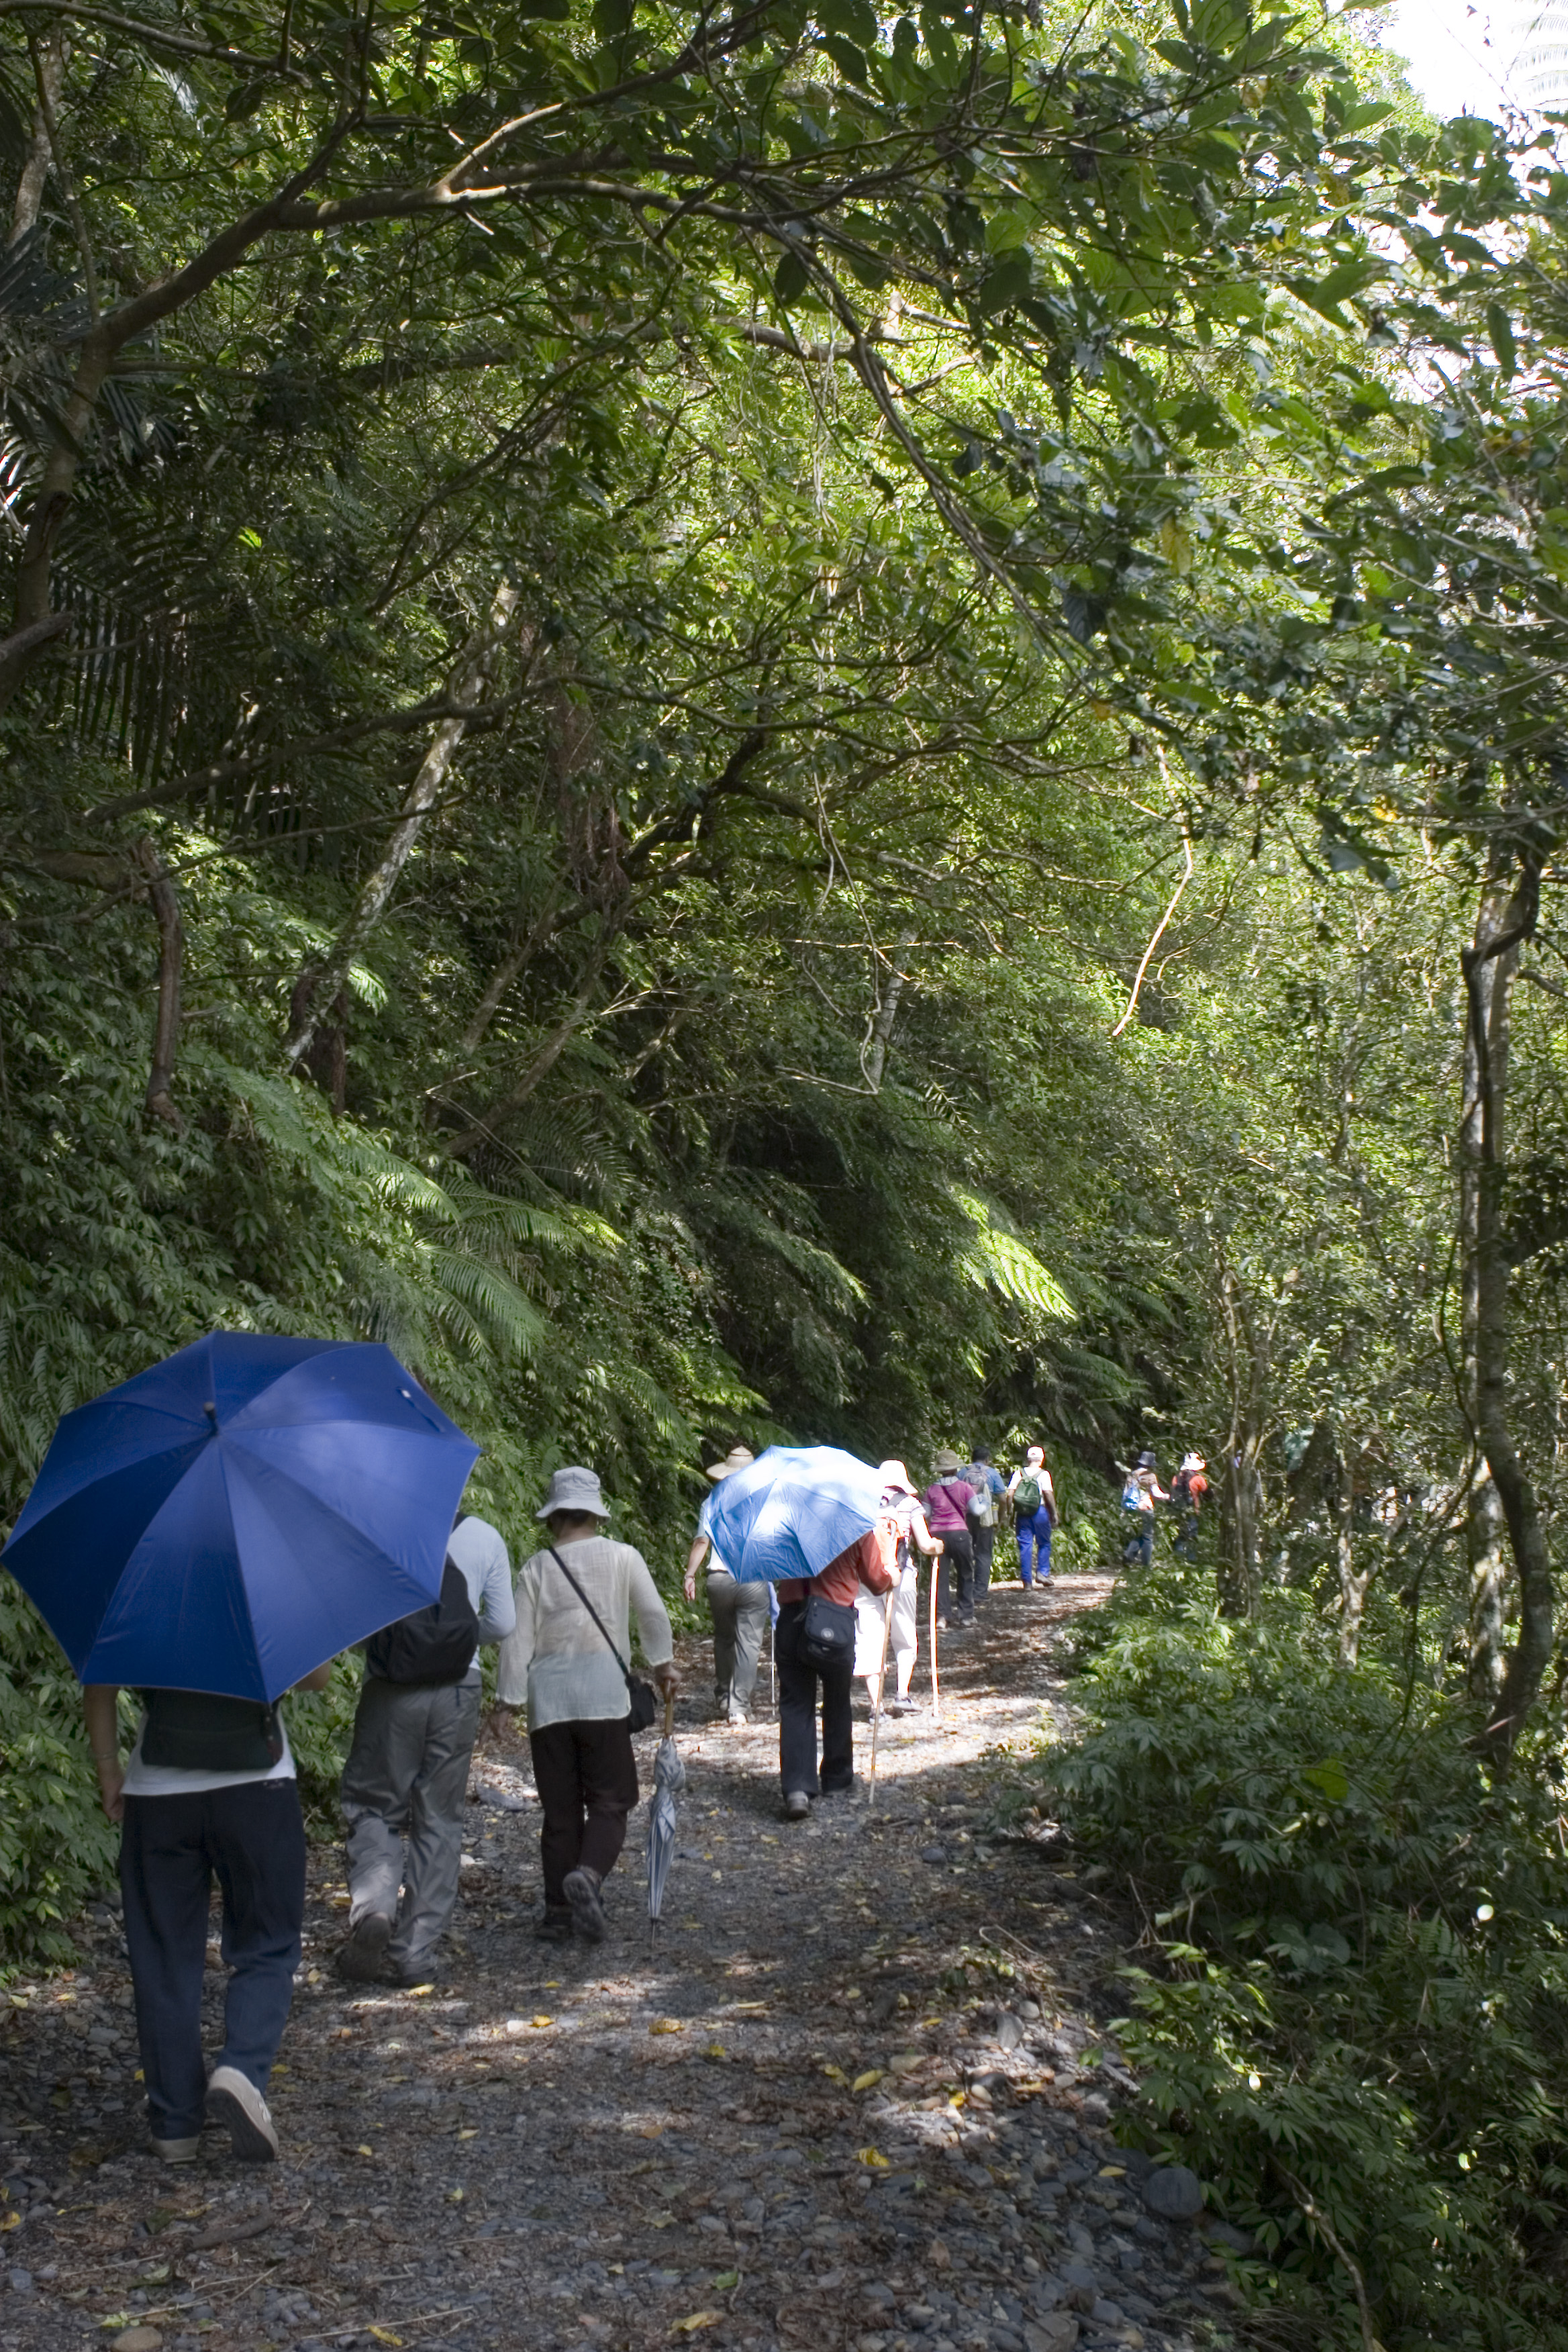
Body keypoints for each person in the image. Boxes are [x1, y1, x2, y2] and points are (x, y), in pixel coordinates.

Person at [85, 1662, 334, 2165]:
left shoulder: (140, 1589)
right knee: (268, 1943)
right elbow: (317, 1677)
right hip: (258, 1786)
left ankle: (175, 2125)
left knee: (162, 1959)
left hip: (158, 1795)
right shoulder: (262, 1585)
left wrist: (109, 1766)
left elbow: (101, 1679)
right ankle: (241, 2070)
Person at [338, 1506, 516, 1987]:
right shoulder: (483, 1535)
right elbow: (502, 1622)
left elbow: (351, 1623)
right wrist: (454, 1639)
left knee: (374, 1805)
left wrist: (406, 1647)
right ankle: (414, 1952)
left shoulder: (378, 1530)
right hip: (460, 1686)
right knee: (440, 1817)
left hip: (391, 1688)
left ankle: (375, 1907)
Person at [498, 1465, 677, 1942]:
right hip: (603, 1698)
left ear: (554, 1518)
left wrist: (506, 1703)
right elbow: (653, 1613)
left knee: (559, 1812)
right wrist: (663, 1667)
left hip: (549, 1703)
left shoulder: (536, 1568)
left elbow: (517, 1641)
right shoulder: (623, 1557)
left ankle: (558, 1912)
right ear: (596, 1515)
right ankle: (589, 1876)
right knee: (612, 1798)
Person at [776, 1524, 895, 1820]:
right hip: (835, 1621)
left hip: (792, 1618)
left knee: (795, 1703)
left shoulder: (788, 1525)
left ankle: (797, 1789)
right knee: (837, 1700)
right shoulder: (855, 1524)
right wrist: (893, 1573)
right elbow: (877, 1581)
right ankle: (837, 1778)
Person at [683, 1443, 767, 1725]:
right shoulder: (763, 1499)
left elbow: (702, 1541)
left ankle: (722, 1695)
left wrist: (690, 1575)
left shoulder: (712, 1501)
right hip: (753, 1578)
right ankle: (738, 1707)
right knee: (749, 1642)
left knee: (724, 1637)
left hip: (719, 1578)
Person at [856, 1461, 942, 1717]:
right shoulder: (909, 1504)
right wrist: (938, 1547)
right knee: (904, 1634)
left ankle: (875, 1707)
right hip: (901, 1577)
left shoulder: (862, 1503)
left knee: (870, 1638)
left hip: (866, 1579)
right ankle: (902, 1695)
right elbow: (926, 1545)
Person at [924, 1448, 977, 1626]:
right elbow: (976, 1510)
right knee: (965, 1573)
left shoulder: (932, 1490)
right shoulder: (965, 1487)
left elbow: (926, 1514)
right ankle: (966, 1616)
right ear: (956, 1469)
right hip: (960, 1533)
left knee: (940, 1576)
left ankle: (942, 1616)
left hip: (937, 1535)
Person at [1007, 1444, 1057, 1589]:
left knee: (1025, 1546)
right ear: (1041, 1459)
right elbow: (1048, 1494)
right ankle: (1042, 1573)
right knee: (1044, 1543)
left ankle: (1027, 1582)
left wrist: (1011, 1511)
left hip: (1022, 1514)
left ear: (1028, 1459)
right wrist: (1054, 1513)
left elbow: (1010, 1494)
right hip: (1040, 1512)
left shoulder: (1019, 1473)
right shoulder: (1044, 1474)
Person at [961, 1444, 1006, 1594]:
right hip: (985, 1518)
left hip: (965, 1518)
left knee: (965, 1553)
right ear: (987, 1460)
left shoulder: (962, 1472)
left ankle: (965, 1591)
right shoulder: (993, 1474)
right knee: (984, 1554)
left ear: (972, 1459)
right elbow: (1002, 1499)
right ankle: (980, 1592)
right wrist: (1000, 1518)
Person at [1121, 1449, 1169, 1567]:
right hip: (1146, 1508)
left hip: (1133, 1508)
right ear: (1150, 1464)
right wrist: (1167, 1496)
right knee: (1148, 1537)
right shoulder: (1150, 1476)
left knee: (1141, 1535)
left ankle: (1129, 1556)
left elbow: (1126, 1492)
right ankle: (1146, 1565)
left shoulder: (1132, 1474)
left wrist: (1124, 1510)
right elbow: (1156, 1493)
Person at [1171, 1453, 1209, 1555]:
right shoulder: (1198, 1479)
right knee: (1192, 1535)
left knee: (1181, 1534)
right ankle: (1191, 1558)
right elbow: (1208, 1495)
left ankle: (1178, 1558)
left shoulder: (1176, 1478)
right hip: (1193, 1510)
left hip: (1178, 1509)